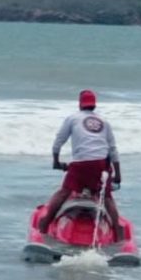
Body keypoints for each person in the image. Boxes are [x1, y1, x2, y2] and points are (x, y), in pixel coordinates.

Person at [37, 89, 122, 237]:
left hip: (81, 164)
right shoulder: (104, 122)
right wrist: (118, 174)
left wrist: (56, 161)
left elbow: (59, 141)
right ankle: (118, 230)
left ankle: (45, 223)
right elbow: (113, 149)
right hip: (101, 165)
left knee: (64, 192)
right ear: (94, 105)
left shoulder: (72, 118)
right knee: (107, 197)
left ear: (80, 104)